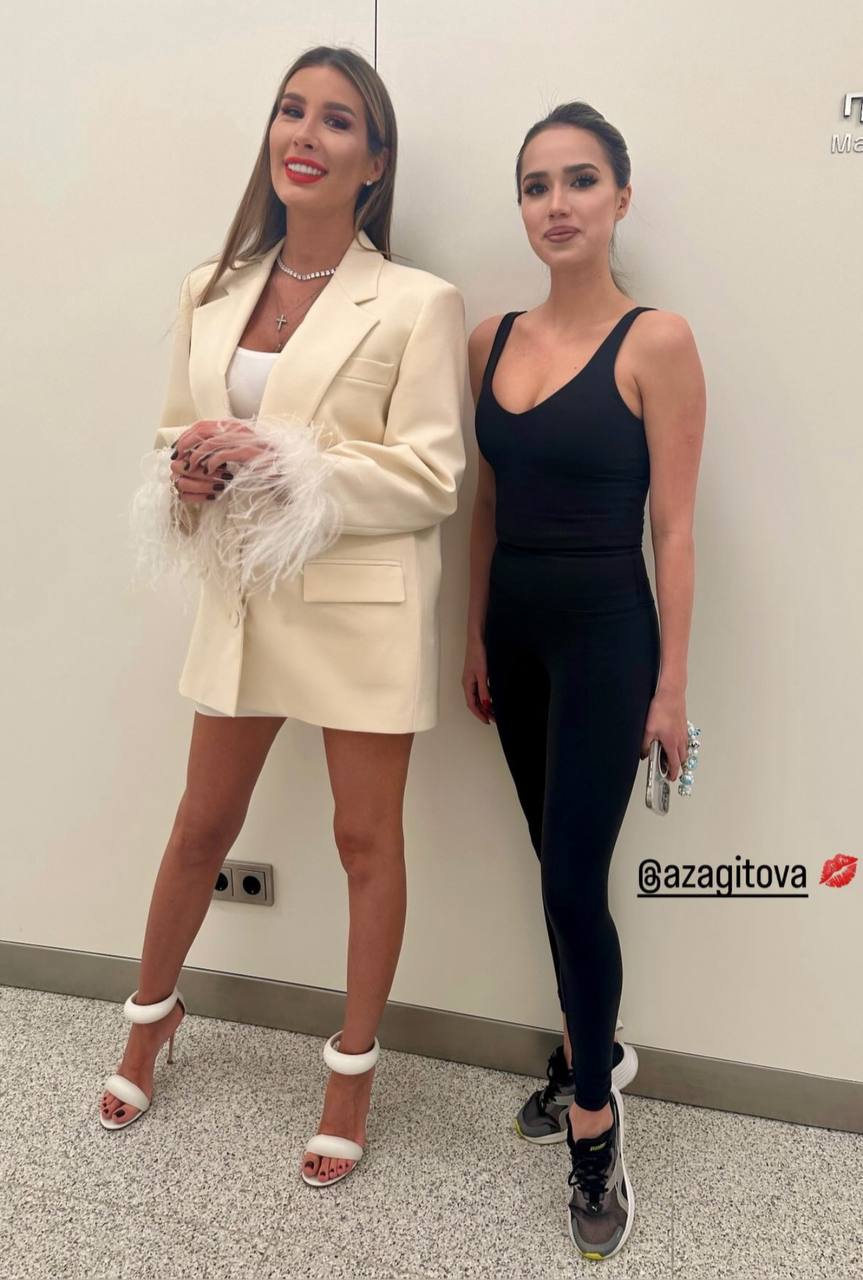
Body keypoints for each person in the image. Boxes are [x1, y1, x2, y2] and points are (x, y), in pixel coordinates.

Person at [102, 46, 467, 1193]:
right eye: (291, 110)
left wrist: (286, 459)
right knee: (197, 827)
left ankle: (350, 1074)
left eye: (338, 120)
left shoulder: (416, 301)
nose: (306, 134)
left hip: (359, 604)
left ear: (374, 161)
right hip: (246, 595)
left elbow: (432, 476)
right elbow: (175, 429)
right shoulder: (210, 287)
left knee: (365, 843)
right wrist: (188, 472)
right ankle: (148, 1020)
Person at [462, 102, 705, 1260]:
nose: (554, 204)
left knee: (569, 878)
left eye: (578, 180)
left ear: (618, 197)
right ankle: (581, 1046)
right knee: (550, 864)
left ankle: (594, 1119)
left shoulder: (656, 340)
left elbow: (676, 529)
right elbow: (484, 506)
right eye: (534, 185)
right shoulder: (488, 338)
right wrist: (473, 633)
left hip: (608, 637)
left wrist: (671, 686)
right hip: (513, 634)